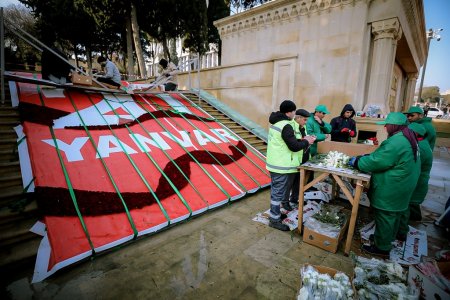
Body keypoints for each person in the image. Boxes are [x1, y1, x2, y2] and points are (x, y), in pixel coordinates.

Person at [348, 112, 420, 257]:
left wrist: (358, 162)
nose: (385, 127)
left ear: (394, 125)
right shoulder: (407, 136)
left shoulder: (396, 141)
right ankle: (387, 238)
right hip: (404, 184)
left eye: (387, 124)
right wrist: (370, 157)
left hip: (393, 185)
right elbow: (386, 157)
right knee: (394, 214)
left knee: (385, 215)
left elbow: (378, 162)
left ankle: (382, 247)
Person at [266, 100, 316, 231]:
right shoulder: (286, 125)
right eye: (294, 111)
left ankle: (275, 214)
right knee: (277, 195)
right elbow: (294, 147)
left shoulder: (276, 123)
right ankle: (274, 219)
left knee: (277, 192)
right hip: (280, 166)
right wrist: (307, 141)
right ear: (289, 112)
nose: (295, 113)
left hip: (275, 164)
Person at [397, 123, 433, 231]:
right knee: (409, 204)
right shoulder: (421, 143)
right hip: (418, 179)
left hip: (417, 181)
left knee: (405, 207)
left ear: (415, 134)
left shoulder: (420, 147)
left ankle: (401, 231)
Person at [288, 109, 313, 208]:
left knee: (299, 181)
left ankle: (295, 198)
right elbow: (294, 144)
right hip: (294, 159)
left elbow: (304, 138)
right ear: (298, 118)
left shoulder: (303, 126)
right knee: (291, 181)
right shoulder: (291, 126)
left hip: (303, 156)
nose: (306, 122)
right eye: (305, 120)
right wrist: (305, 141)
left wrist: (310, 138)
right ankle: (286, 201)